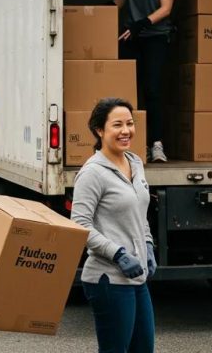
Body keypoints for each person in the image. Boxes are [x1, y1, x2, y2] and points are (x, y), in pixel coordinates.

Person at [71, 97, 156, 352]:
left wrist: (148, 245)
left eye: (130, 124)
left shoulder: (135, 162)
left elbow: (140, 214)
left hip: (137, 277)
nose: (126, 131)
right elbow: (80, 225)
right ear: (100, 130)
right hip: (107, 279)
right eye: (117, 125)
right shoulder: (92, 173)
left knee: (143, 348)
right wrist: (118, 254)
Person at [113, 0, 175, 162]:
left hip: (155, 38)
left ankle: (156, 144)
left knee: (152, 90)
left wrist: (142, 24)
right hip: (132, 38)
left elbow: (166, 8)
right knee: (131, 92)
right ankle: (137, 145)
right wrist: (104, 9)